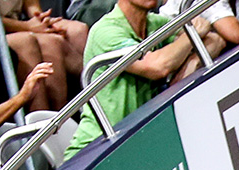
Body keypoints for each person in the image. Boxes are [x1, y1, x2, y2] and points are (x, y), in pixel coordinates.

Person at [63, 0, 223, 157]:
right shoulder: (105, 32)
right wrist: (190, 36)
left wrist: (189, 67)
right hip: (97, 149)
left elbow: (216, 40)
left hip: (138, 137)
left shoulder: (155, 22)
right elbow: (158, 66)